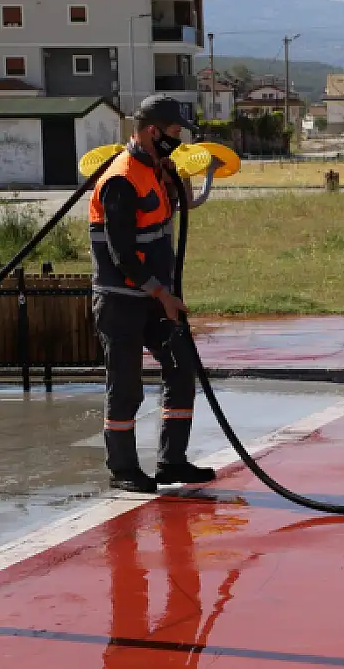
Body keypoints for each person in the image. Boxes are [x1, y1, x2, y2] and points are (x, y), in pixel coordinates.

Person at [89, 95, 217, 493]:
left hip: (156, 298)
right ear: (151, 132)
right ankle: (123, 468)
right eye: (175, 132)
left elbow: (168, 220)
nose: (179, 141)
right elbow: (123, 255)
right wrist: (163, 294)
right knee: (126, 386)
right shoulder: (120, 180)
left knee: (181, 370)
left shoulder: (155, 171)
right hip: (121, 301)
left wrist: (179, 179)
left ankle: (171, 461)